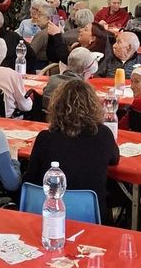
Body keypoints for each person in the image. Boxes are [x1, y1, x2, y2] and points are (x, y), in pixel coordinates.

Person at [24, 79, 119, 219]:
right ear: (94, 106)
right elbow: (114, 159)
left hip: (46, 212)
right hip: (90, 213)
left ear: (56, 107)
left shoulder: (45, 138)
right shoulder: (104, 134)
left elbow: (30, 178)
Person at [42, 46, 101, 111]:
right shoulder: (82, 89)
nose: (91, 76)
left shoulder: (53, 79)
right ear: (85, 71)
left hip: (47, 118)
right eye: (90, 73)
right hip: (69, 120)